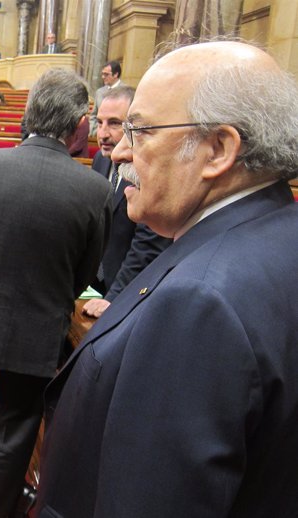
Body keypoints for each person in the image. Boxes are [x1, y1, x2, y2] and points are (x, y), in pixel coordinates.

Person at [34, 40, 298, 518]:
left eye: (141, 131)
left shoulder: (199, 306)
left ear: (218, 149)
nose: (118, 153)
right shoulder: (276, 230)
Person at [0, 68, 112, 518]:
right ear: (80, 125)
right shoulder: (95, 190)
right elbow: (84, 273)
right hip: (39, 327)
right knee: (11, 432)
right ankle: (10, 492)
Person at [82, 85, 170, 318]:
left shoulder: (146, 169)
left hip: (128, 294)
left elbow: (148, 243)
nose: (102, 133)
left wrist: (114, 297)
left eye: (113, 123)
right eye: (99, 122)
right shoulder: (100, 162)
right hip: (96, 286)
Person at [89, 59, 123, 135]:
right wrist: (93, 131)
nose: (103, 77)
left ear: (116, 74)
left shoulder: (125, 92)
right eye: (102, 74)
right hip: (98, 134)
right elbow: (94, 115)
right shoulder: (99, 92)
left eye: (106, 74)